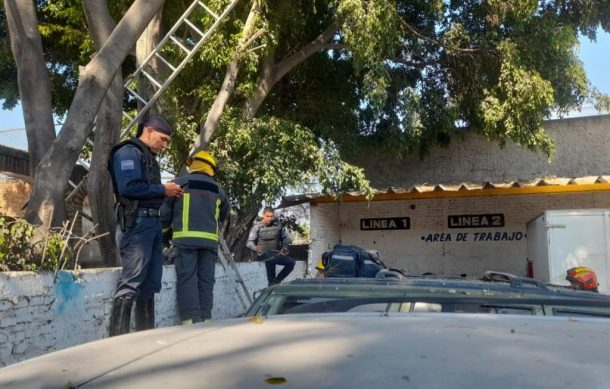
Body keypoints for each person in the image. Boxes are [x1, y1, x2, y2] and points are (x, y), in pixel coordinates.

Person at [108, 116, 183, 336]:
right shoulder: (128, 152)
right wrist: (163, 190)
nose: (164, 145)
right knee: (132, 282)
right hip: (137, 224)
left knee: (150, 284)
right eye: (162, 139)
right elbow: (129, 188)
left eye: (167, 141)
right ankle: (117, 341)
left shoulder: (148, 156)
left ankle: (145, 339)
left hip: (152, 224)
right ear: (148, 131)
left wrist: (169, 192)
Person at [160, 150, 230, 324]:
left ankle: (190, 322)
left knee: (187, 280)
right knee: (206, 281)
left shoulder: (177, 185)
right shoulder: (218, 191)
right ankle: (206, 320)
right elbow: (223, 216)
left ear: (192, 165)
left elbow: (164, 216)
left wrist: (164, 238)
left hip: (185, 242)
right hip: (209, 243)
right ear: (211, 168)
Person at [246, 207, 295, 286]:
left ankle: (276, 281)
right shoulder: (257, 227)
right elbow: (249, 242)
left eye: (271, 216)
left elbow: (286, 239)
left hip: (276, 254)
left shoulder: (278, 226)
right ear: (263, 215)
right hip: (262, 254)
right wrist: (255, 248)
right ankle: (271, 282)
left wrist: (284, 249)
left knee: (291, 262)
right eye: (267, 216)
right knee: (271, 258)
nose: (269, 218)